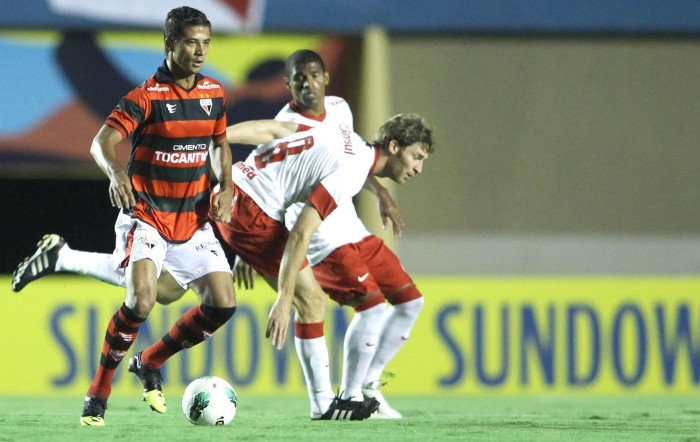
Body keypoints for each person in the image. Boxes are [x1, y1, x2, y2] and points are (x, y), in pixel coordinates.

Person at [12, 50, 425, 419]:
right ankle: (327, 406)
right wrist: (279, 293)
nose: (307, 84)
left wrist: (379, 189)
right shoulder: (289, 120)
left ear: (326, 81)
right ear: (288, 85)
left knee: (164, 290)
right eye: (298, 78)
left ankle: (65, 259)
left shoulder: (340, 112)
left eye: (313, 75)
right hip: (247, 209)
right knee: (309, 298)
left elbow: (344, 154)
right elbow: (289, 191)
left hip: (243, 208)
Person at [78, 7, 237, 427]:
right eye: (190, 42)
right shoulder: (145, 97)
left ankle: (150, 361)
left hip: (193, 220)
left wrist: (227, 187)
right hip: (146, 216)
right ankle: (98, 392)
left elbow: (220, 145)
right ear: (170, 44)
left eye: (205, 42)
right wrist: (115, 173)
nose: (200, 51)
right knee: (142, 300)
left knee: (223, 304)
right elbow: (101, 142)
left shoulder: (215, 94)